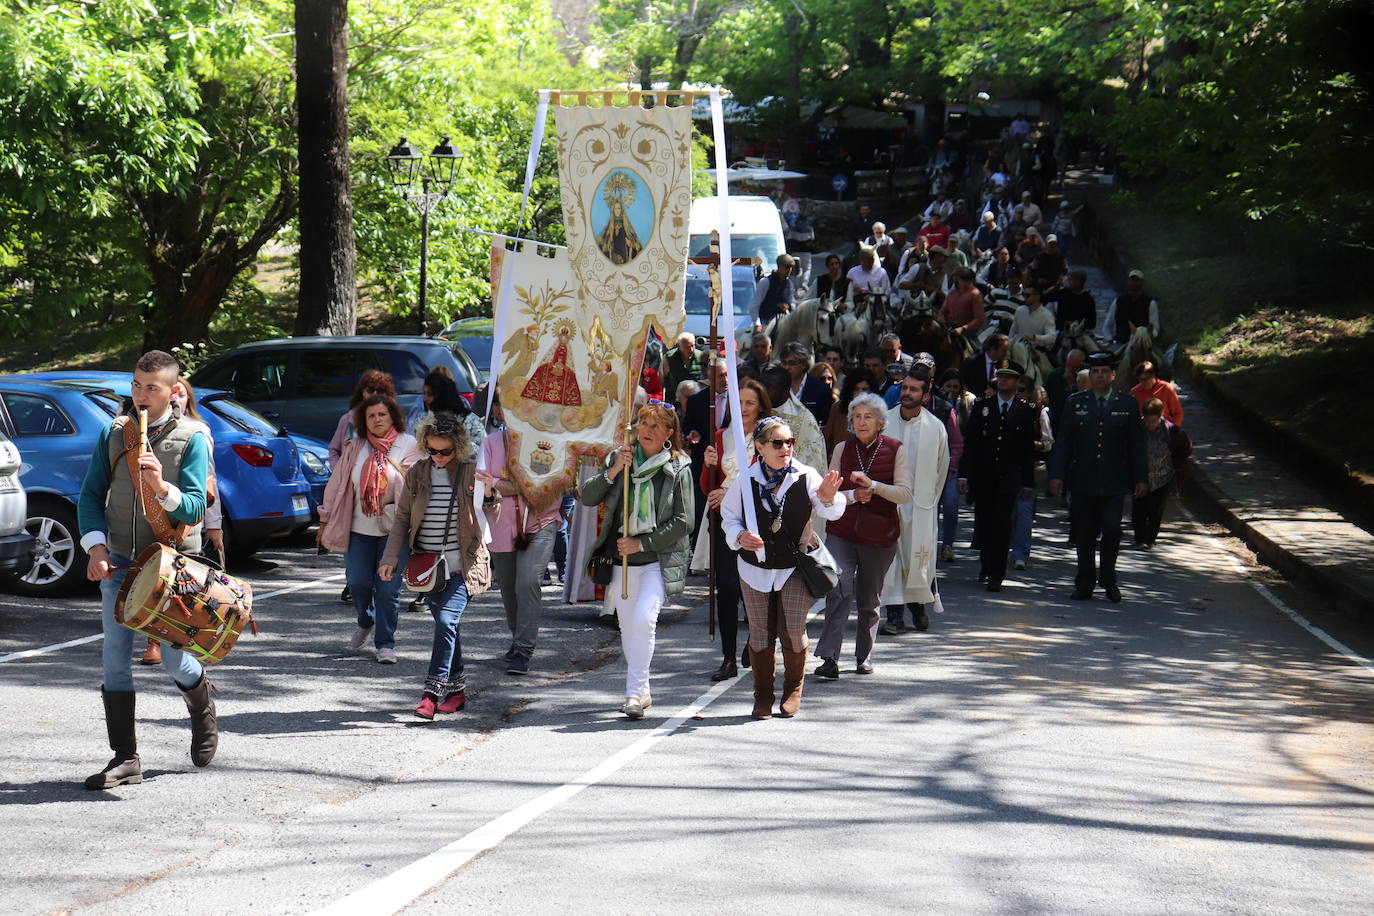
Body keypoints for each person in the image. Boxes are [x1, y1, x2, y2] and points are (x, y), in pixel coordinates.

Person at [77, 350, 215, 789]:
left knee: (174, 660)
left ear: (173, 391)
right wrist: (95, 548)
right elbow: (89, 496)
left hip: (174, 566)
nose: (140, 394)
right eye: (136, 385)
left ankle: (201, 706)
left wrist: (161, 487)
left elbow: (195, 506)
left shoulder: (193, 436)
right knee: (114, 660)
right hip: (118, 562)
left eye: (150, 387)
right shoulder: (113, 433)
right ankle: (125, 758)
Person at [721, 417, 844, 719]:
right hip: (755, 568)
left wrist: (829, 499)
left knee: (792, 628)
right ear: (760, 447)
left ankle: (793, 688)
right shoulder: (746, 480)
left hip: (794, 567)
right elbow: (729, 516)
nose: (785, 448)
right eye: (777, 443)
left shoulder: (805, 475)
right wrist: (739, 536)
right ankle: (762, 696)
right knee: (760, 633)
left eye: (790, 442)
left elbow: (833, 507)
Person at [579, 402, 694, 718]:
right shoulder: (621, 460)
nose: (647, 431)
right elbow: (588, 496)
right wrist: (614, 470)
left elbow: (685, 521)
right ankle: (641, 691)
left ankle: (633, 693)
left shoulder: (679, 467)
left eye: (656, 426)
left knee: (644, 620)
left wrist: (641, 541)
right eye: (643, 424)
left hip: (657, 560)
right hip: (621, 563)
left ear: (669, 433)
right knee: (629, 628)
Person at [379, 412, 490, 718]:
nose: (439, 457)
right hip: (427, 569)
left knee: (446, 622)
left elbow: (493, 510)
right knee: (447, 626)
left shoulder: (470, 473)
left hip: (462, 566)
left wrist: (491, 492)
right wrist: (390, 559)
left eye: (446, 451)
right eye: (432, 450)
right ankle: (457, 693)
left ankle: (431, 694)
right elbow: (402, 519)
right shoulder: (417, 473)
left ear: (459, 447)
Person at [815, 394, 912, 678]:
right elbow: (826, 493)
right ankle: (829, 657)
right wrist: (854, 495)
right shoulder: (842, 449)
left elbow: (904, 494)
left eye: (868, 416)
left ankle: (863, 655)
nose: (861, 422)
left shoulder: (895, 449)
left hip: (879, 535)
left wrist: (876, 486)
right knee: (839, 588)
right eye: (856, 416)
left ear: (881, 422)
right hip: (842, 531)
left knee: (869, 598)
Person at [318, 393, 419, 662]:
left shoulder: (409, 445)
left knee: (387, 590)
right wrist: (324, 519)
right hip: (358, 529)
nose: (376, 420)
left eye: (382, 415)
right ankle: (366, 620)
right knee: (358, 584)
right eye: (371, 415)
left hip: (394, 532)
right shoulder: (355, 446)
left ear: (393, 417)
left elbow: (416, 488)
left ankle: (385, 643)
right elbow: (337, 486)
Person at [139, 377, 224, 667]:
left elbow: (208, 483)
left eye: (182, 395)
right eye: (173, 394)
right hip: (148, 516)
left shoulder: (198, 432)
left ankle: (179, 642)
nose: (177, 400)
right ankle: (154, 641)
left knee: (177, 586)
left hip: (184, 521)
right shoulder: (144, 427)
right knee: (153, 580)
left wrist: (215, 525)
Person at [1049, 352, 1148, 602]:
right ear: (1089, 375)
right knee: (1084, 532)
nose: (1100, 375)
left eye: (1104, 371)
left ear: (1113, 375)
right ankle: (1084, 581)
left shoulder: (1127, 404)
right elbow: (1064, 442)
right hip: (1083, 479)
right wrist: (1057, 474)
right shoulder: (1075, 402)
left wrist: (1141, 478)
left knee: (1113, 530)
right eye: (1095, 372)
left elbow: (1137, 444)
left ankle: (1108, 578)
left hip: (1114, 481)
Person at [479, 393, 562, 675]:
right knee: (510, 591)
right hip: (502, 526)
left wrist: (502, 484)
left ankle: (524, 650)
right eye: (504, 405)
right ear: (498, 411)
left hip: (541, 521)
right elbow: (482, 484)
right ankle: (518, 640)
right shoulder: (490, 443)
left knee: (528, 582)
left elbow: (546, 484)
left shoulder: (546, 441)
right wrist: (512, 485)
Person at [697, 379, 774, 679]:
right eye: (739, 402)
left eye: (750, 403)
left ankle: (756, 641)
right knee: (726, 587)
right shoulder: (722, 435)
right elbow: (709, 486)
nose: (743, 409)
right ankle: (728, 656)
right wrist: (707, 465)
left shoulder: (768, 437)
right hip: (725, 522)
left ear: (761, 407)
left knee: (753, 585)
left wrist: (727, 492)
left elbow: (764, 479)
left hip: (757, 522)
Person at [878, 369, 950, 632]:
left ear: (926, 395)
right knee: (891, 558)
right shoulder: (884, 422)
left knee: (917, 557)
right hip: (889, 502)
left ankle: (918, 605)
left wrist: (928, 503)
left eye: (914, 389)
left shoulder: (936, 428)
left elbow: (942, 469)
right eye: (904, 388)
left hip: (921, 506)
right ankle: (894, 615)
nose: (907, 393)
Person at [958, 359, 1038, 592]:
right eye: (1001, 376)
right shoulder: (984, 406)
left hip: (1009, 477)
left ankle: (997, 573)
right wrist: (964, 475)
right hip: (984, 476)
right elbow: (971, 444)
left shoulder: (1024, 411)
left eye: (1009, 377)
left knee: (1003, 525)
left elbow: (1026, 451)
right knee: (985, 521)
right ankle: (986, 563)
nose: (1003, 380)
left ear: (1017, 381)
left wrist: (1028, 483)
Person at [1133, 397, 1193, 548]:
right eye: (1147, 421)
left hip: (1163, 477)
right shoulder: (1136, 428)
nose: (1150, 425)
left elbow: (1186, 448)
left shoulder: (1171, 431)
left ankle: (1150, 539)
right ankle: (1140, 539)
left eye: (1153, 421)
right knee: (1139, 508)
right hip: (1141, 476)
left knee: (1156, 509)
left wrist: (1176, 464)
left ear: (1160, 416)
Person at [1010, 378, 1054, 571]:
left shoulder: (1038, 412)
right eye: (1015, 390)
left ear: (1029, 392)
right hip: (1008, 469)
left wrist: (1032, 444)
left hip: (1031, 468)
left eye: (1021, 390)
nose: (1017, 394)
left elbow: (1048, 443)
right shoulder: (1006, 409)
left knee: (1024, 513)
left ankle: (1020, 553)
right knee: (1007, 513)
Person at [760, 366, 829, 478]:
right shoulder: (756, 410)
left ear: (786, 390)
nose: (765, 392)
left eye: (771, 387)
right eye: (764, 387)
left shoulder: (804, 420)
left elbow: (812, 461)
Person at [329, 371, 395, 467]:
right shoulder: (347, 419)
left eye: (380, 390)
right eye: (370, 390)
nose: (375, 394)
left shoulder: (393, 421)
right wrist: (339, 474)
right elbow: (334, 450)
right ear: (363, 392)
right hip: (351, 479)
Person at [779, 341, 832, 427]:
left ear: (803, 364)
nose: (787, 367)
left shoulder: (820, 389)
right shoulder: (778, 387)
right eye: (784, 363)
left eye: (791, 363)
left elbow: (826, 422)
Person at [825, 368, 877, 454]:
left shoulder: (878, 411)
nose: (860, 393)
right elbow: (827, 441)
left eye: (864, 389)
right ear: (850, 390)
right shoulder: (837, 408)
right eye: (856, 389)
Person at [1104, 269, 1161, 343]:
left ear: (1142, 282)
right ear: (1128, 282)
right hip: (1120, 342)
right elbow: (1107, 325)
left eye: (1137, 280)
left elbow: (1155, 329)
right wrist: (1110, 340)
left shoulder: (1151, 303)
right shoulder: (1118, 302)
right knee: (1108, 354)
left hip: (1142, 343)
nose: (1134, 282)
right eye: (1132, 280)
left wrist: (1147, 337)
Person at [750, 253, 797, 334]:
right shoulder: (766, 282)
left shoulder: (789, 284)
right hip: (765, 320)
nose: (789, 270)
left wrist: (788, 306)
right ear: (779, 266)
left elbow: (793, 303)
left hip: (784, 321)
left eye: (790, 267)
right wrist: (757, 324)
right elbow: (754, 306)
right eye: (786, 267)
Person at [938, 267, 986, 343]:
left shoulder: (975, 294)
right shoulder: (952, 293)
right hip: (949, 330)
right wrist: (943, 323)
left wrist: (963, 328)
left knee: (978, 352)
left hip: (967, 333)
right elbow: (942, 312)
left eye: (962, 280)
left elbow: (979, 318)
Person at [1130, 361, 1183, 427]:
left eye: (1147, 378)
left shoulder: (1167, 388)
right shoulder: (1134, 392)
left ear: (1153, 375)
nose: (1145, 382)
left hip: (1164, 430)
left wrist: (1174, 430)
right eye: (1141, 379)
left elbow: (1178, 413)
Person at [962, 333, 1009, 399]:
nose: (1006, 354)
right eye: (1003, 351)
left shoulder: (1005, 364)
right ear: (992, 349)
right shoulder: (971, 363)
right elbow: (966, 386)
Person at [662, 332, 702, 404]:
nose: (691, 349)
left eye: (693, 346)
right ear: (679, 346)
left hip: (696, 400)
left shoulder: (701, 357)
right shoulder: (669, 358)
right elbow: (662, 379)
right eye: (687, 347)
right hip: (674, 401)